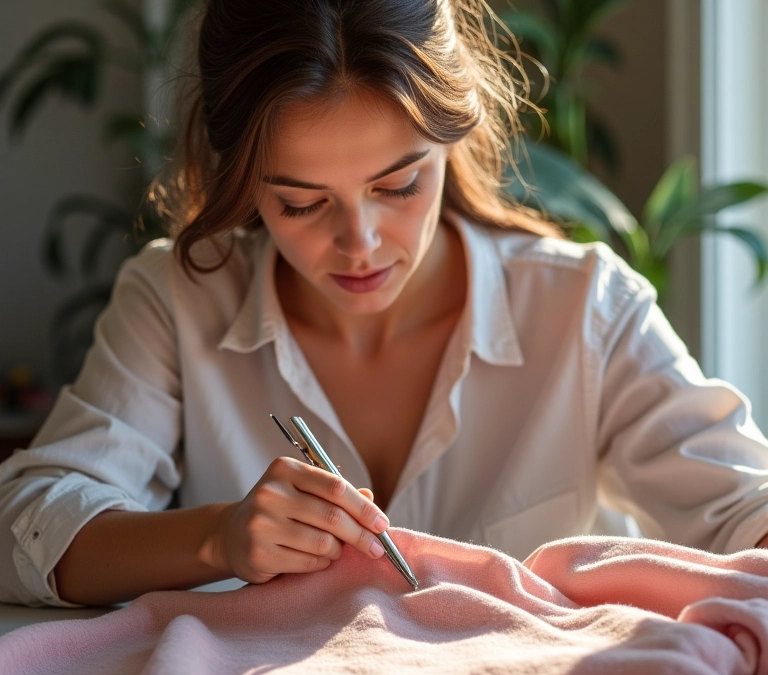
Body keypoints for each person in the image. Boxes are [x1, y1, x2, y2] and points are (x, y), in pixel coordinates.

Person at [3, 0, 768, 609]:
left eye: (399, 186)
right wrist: (217, 540)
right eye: (302, 204)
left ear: (451, 139)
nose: (360, 244)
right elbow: (26, 523)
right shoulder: (177, 301)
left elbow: (745, 509)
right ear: (242, 183)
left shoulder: (585, 310)